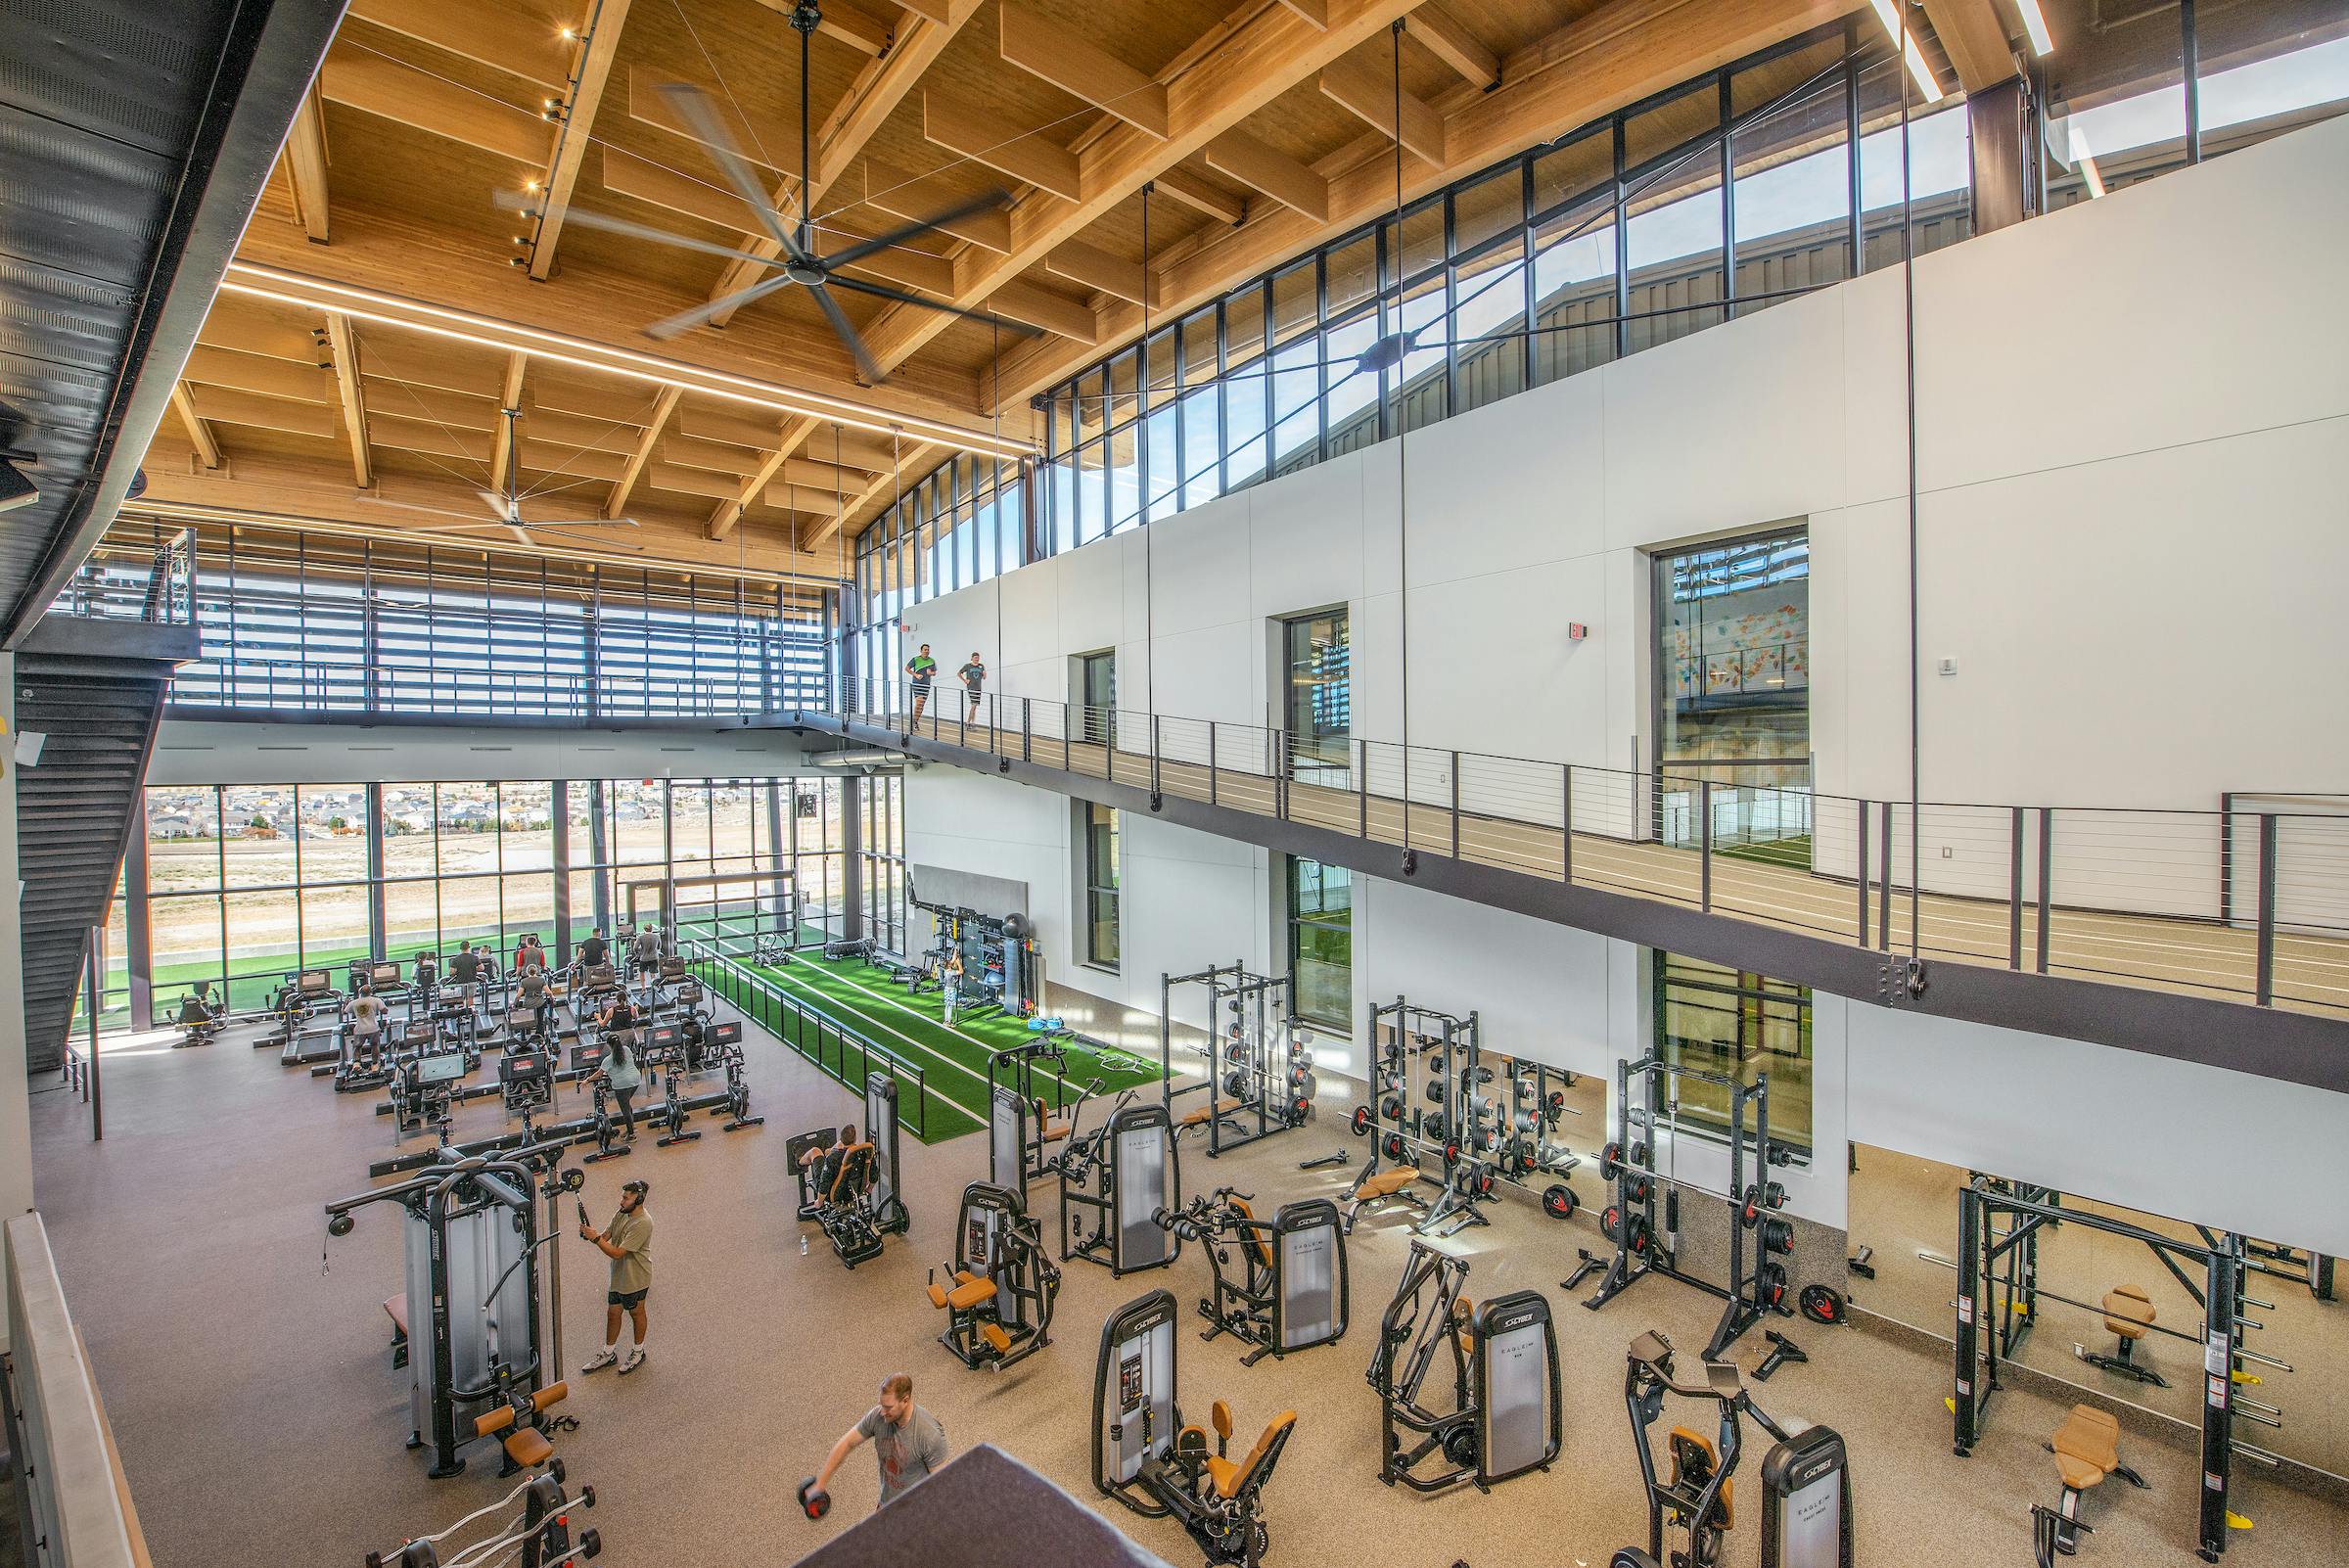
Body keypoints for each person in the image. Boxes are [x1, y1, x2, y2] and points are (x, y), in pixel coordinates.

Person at [812, 1373, 949, 1514]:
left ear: (905, 1400)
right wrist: (820, 1483)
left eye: (888, 1407)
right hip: (887, 1503)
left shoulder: (928, 1434)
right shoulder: (878, 1416)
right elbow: (847, 1443)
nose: (883, 1412)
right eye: (881, 1405)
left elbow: (942, 1485)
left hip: (917, 1511)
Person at [578, 1178, 653, 1375]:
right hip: (618, 1275)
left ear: (639, 1199)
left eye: (626, 1198)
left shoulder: (643, 1223)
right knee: (613, 1313)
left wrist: (595, 1239)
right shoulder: (621, 1213)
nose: (622, 1201)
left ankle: (638, 1351)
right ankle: (608, 1353)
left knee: (636, 1313)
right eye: (623, 1197)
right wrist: (591, 1234)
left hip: (635, 1277)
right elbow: (606, 1236)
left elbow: (617, 1253)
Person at [597, 1027, 643, 1142]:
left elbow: (598, 1074)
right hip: (636, 1080)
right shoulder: (627, 1049)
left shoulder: (608, 1059)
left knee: (625, 1109)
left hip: (622, 1084)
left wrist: (586, 1080)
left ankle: (632, 1135)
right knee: (627, 1104)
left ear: (609, 1045)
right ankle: (631, 1128)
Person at [346, 985, 388, 1069]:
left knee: (357, 1047)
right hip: (373, 1028)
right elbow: (385, 1011)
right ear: (370, 992)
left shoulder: (354, 1002)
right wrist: (382, 1003)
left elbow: (345, 1012)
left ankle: (356, 1064)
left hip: (360, 1029)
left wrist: (345, 1004)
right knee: (374, 1045)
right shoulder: (376, 1000)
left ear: (359, 993)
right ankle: (375, 1064)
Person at [905, 644, 938, 726]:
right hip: (917, 684)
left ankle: (915, 721)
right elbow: (907, 668)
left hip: (926, 685)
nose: (927, 651)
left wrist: (931, 673)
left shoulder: (932, 661)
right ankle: (914, 721)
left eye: (928, 650)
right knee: (919, 702)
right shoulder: (916, 659)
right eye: (925, 650)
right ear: (921, 651)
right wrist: (915, 675)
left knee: (921, 704)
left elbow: (934, 672)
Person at [450, 940, 482, 1012]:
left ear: (461, 948)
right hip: (472, 980)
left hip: (461, 981)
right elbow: (481, 968)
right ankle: (470, 1014)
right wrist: (473, 968)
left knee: (462, 998)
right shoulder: (474, 957)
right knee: (470, 998)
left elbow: (452, 972)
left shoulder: (456, 959)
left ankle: (463, 1014)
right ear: (469, 948)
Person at [957, 651, 987, 723]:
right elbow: (959, 673)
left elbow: (984, 677)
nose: (977, 659)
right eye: (975, 657)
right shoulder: (968, 666)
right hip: (971, 687)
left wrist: (985, 674)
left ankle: (973, 723)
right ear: (972, 658)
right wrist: (965, 680)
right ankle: (968, 723)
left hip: (978, 688)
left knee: (975, 706)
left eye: (978, 657)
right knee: (973, 705)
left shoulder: (981, 666)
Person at [940, 947, 964, 1027]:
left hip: (947, 988)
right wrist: (959, 963)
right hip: (951, 989)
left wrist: (955, 951)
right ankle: (949, 1021)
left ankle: (946, 1020)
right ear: (949, 965)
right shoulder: (951, 972)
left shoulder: (946, 970)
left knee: (947, 1005)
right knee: (950, 1005)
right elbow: (961, 971)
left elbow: (953, 959)